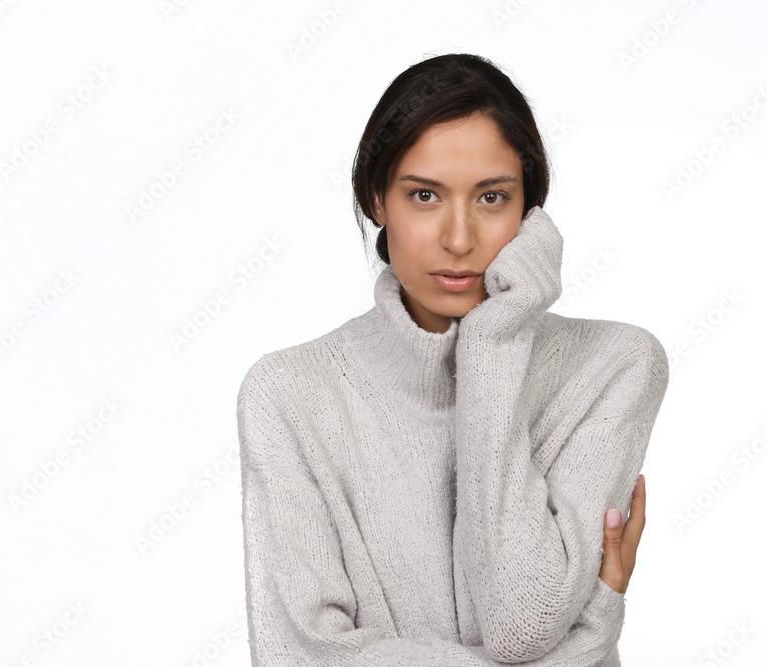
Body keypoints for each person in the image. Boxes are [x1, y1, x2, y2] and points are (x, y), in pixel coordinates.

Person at [236, 53, 669, 666]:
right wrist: (587, 636)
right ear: (377, 200)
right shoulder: (288, 395)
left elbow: (521, 623)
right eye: (424, 195)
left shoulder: (614, 367)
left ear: (531, 213)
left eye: (492, 197)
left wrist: (494, 343)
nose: (460, 239)